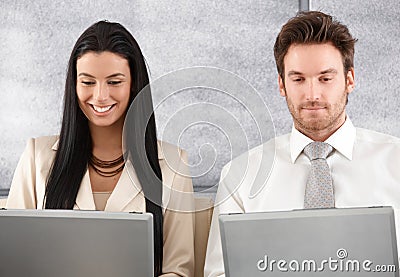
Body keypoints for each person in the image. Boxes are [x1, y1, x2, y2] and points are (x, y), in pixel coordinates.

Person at [204, 11, 400, 276]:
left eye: (325, 78)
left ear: (349, 80)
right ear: (282, 85)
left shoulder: (395, 162)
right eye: (298, 79)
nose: (312, 94)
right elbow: (219, 272)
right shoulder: (241, 176)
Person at [6, 21, 195, 277]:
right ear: (74, 85)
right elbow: (12, 257)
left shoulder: (173, 163)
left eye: (114, 81)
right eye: (88, 82)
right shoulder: (36, 156)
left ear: (134, 85)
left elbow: (179, 269)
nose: (100, 96)